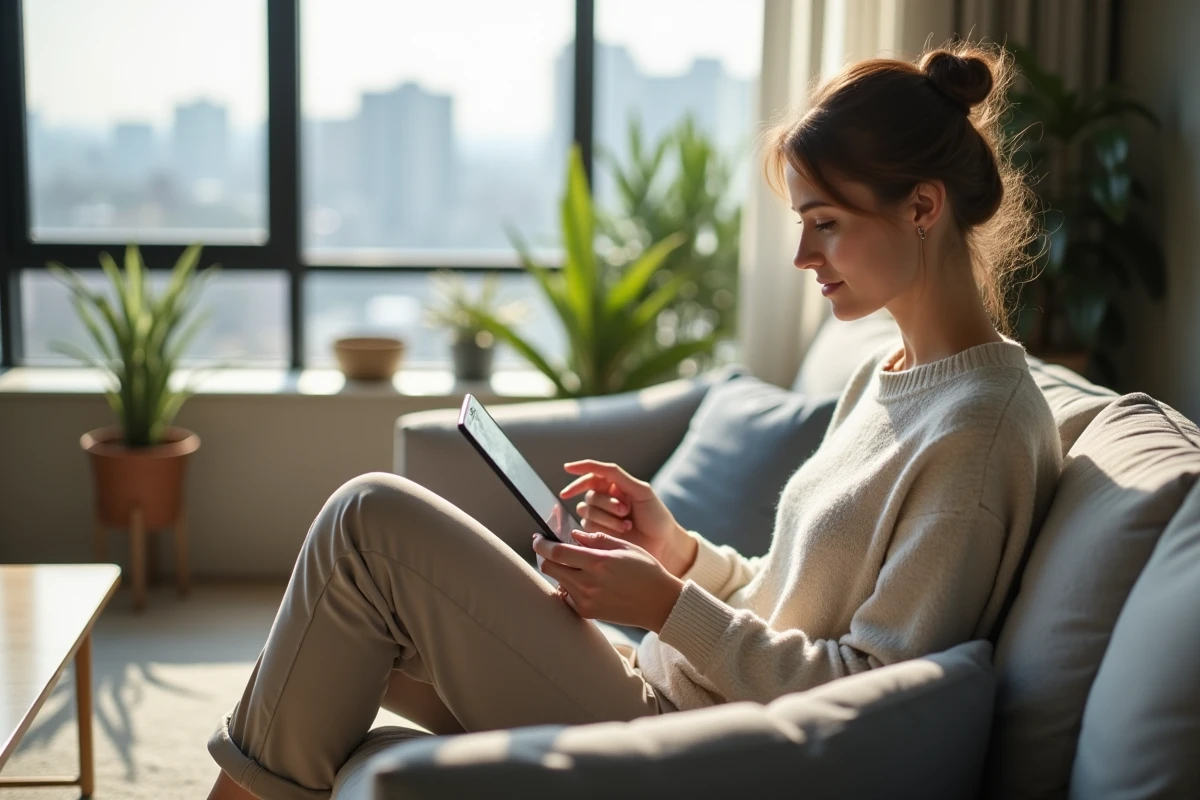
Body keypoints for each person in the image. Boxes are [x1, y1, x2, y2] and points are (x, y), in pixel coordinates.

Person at [206, 41, 1063, 800]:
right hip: (661, 688)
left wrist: (666, 606)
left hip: (688, 741)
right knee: (348, 633)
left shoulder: (978, 433)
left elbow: (870, 694)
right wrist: (678, 552)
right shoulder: (893, 375)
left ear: (922, 208)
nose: (804, 257)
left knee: (367, 525)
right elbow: (793, 594)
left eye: (825, 225)